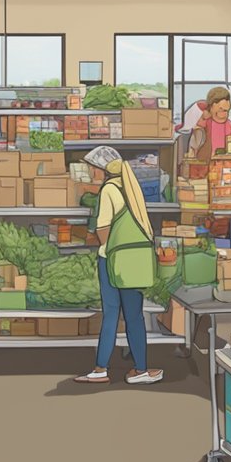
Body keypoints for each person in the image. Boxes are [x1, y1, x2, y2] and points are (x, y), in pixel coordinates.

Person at [74, 146, 163, 386]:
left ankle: (101, 367)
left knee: (111, 314)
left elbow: (103, 231)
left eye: (93, 168)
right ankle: (140, 369)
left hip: (112, 260)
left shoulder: (109, 190)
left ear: (102, 168)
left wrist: (98, 243)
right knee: (134, 316)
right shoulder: (130, 187)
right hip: (134, 260)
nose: (92, 172)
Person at [189, 87, 231, 161]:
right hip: (205, 165)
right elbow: (193, 149)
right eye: (220, 110)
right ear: (210, 107)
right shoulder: (202, 126)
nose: (223, 114)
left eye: (226, 111)